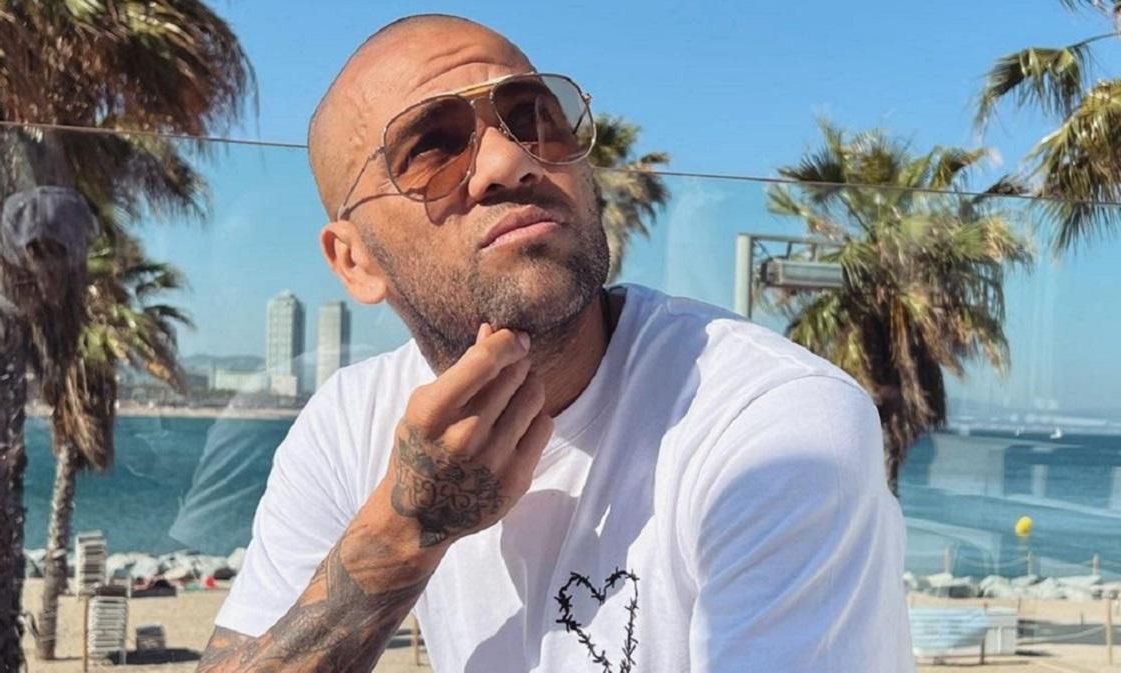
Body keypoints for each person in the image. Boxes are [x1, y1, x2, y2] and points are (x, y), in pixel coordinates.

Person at [198, 14, 914, 673]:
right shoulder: (350, 422)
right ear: (355, 261)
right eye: (433, 147)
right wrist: (408, 525)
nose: (508, 161)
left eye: (534, 119)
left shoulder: (769, 421)